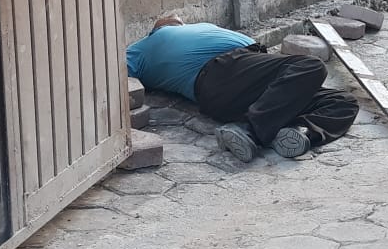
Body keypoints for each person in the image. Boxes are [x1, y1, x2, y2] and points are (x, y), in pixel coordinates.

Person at [126, 16, 359, 162]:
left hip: (256, 87)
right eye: (175, 20)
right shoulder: (145, 46)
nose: (179, 20)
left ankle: (300, 132)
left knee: (343, 102)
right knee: (311, 66)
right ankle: (251, 130)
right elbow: (114, 74)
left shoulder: (195, 29)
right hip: (222, 71)